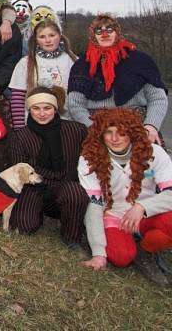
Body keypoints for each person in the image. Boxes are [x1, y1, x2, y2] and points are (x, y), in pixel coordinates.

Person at [79, 108, 172, 286]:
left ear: (132, 133)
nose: (115, 139)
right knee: (121, 258)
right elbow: (94, 205)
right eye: (109, 132)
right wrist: (99, 252)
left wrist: (143, 207)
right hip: (113, 216)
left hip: (145, 213)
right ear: (100, 133)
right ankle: (121, 243)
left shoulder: (154, 152)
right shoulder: (88, 158)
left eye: (121, 133)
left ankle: (146, 250)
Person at [67, 14, 168, 145]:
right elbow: (75, 105)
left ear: (117, 32)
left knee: (150, 160)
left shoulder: (141, 61)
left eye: (109, 30)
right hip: (97, 124)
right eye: (99, 31)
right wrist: (93, 129)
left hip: (137, 122)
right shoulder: (81, 66)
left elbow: (157, 98)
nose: (104, 34)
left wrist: (151, 126)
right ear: (93, 35)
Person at [9, 87, 88, 252]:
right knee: (23, 227)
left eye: (47, 108)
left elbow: (90, 160)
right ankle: (36, 214)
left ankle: (72, 237)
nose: (42, 113)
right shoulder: (21, 137)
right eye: (36, 108)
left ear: (55, 108)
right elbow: (18, 172)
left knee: (75, 192)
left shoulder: (76, 130)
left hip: (65, 186)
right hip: (33, 188)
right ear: (29, 110)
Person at [9, 18, 77, 128]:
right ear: (36, 40)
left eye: (52, 35)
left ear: (60, 36)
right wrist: (20, 129)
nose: (48, 40)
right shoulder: (25, 63)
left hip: (67, 122)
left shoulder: (73, 61)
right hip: (33, 125)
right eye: (42, 37)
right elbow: (17, 99)